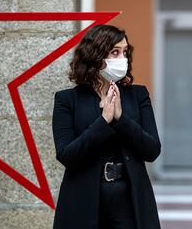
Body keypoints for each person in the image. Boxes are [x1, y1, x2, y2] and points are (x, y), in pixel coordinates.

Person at [52, 25, 161, 229]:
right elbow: (67, 155)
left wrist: (120, 119)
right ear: (96, 55)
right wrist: (103, 122)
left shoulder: (138, 95)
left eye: (125, 52)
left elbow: (152, 149)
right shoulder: (67, 100)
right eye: (115, 52)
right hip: (82, 199)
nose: (122, 58)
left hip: (130, 199)